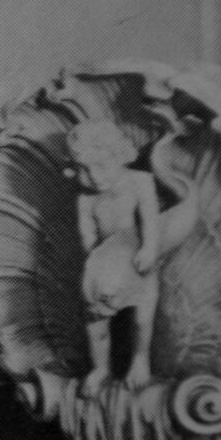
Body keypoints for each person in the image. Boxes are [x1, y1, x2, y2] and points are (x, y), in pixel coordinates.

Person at [68, 120, 164, 388]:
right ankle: (100, 368)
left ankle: (140, 360)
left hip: (136, 256)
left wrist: (149, 248)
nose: (94, 177)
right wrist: (91, 260)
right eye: (83, 169)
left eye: (100, 165)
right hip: (103, 262)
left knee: (142, 316)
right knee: (95, 322)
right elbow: (86, 231)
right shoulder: (85, 197)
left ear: (119, 154)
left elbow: (150, 219)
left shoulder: (140, 181)